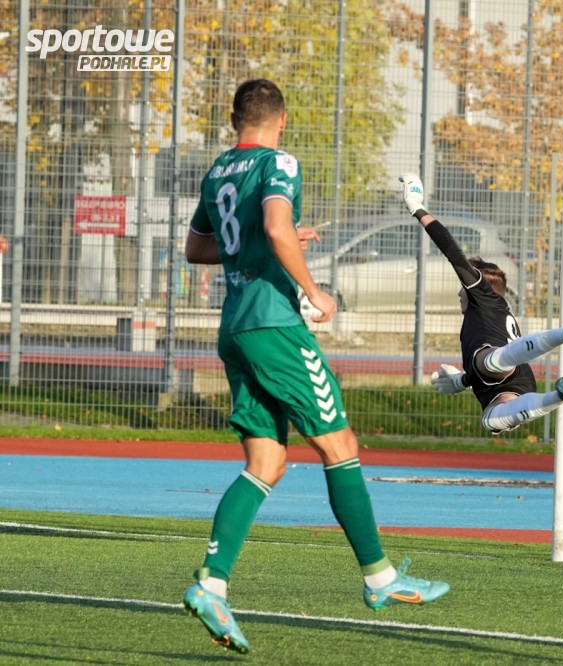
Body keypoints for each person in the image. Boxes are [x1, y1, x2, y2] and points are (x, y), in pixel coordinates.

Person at [182, 79, 448, 654]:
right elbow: (276, 226)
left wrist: (268, 240)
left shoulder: (218, 170)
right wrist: (313, 289)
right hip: (276, 324)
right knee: (339, 443)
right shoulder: (279, 161)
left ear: (234, 119)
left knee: (267, 461)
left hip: (236, 326)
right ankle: (380, 578)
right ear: (281, 121)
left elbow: (197, 249)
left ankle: (212, 585)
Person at [399, 173, 563, 434]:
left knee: (492, 361)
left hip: (498, 364)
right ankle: (560, 392)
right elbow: (477, 374)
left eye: (463, 287)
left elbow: (451, 250)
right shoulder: (498, 309)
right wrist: (460, 381)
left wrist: (417, 208)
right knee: (491, 419)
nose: (460, 293)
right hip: (516, 380)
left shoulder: (483, 296)